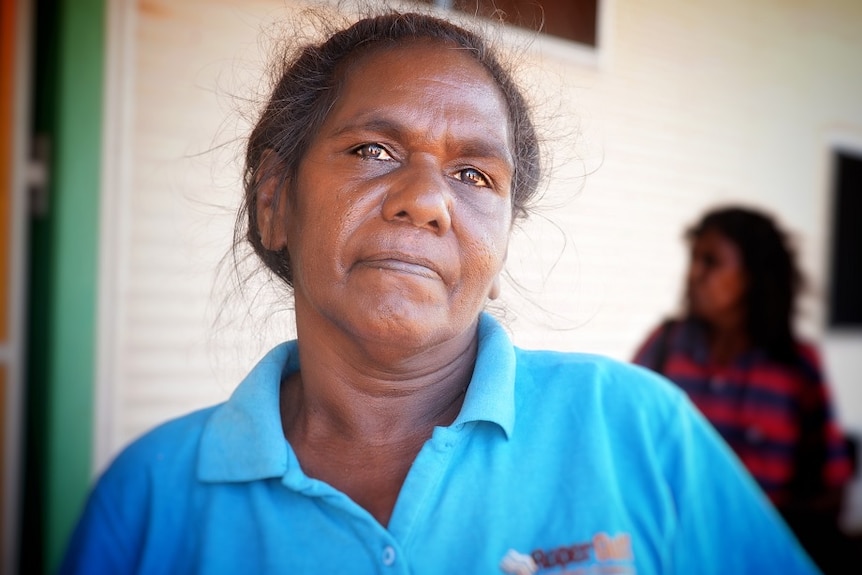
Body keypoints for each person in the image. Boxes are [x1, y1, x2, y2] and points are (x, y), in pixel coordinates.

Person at [60, 10, 820, 575]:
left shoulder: (639, 433)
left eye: (474, 175)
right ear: (274, 200)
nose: (426, 199)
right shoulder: (151, 498)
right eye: (373, 149)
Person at [632, 205, 855, 573]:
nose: (693, 274)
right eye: (693, 259)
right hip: (670, 554)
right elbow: (627, 438)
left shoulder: (797, 366)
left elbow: (831, 484)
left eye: (711, 262)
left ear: (752, 277)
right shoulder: (665, 345)